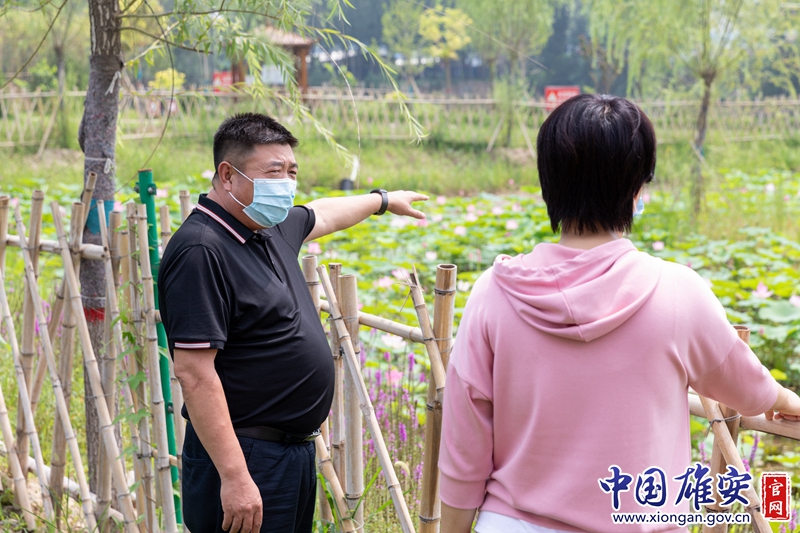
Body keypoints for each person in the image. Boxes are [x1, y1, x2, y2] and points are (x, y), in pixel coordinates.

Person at [438, 94, 800, 533]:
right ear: (636, 189)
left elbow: (464, 448)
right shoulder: (678, 293)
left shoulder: (493, 295)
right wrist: (785, 401)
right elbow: (747, 388)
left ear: (547, 183)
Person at [158, 112, 428, 533]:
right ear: (227, 176)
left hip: (289, 454)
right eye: (273, 172)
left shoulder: (265, 227)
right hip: (245, 455)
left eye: (291, 172)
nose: (285, 184)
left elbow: (323, 213)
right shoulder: (201, 250)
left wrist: (383, 200)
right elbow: (194, 373)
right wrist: (234, 476)